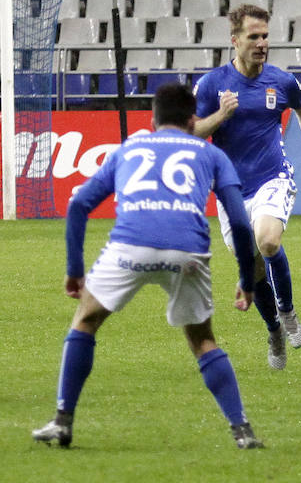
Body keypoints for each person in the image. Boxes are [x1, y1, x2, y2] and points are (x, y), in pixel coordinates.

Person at [32, 83, 263, 449]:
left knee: (86, 319)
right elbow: (238, 221)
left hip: (130, 244)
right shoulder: (210, 153)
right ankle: (243, 431)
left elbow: (78, 206)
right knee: (202, 340)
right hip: (187, 251)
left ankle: (62, 421)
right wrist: (246, 278)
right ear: (192, 120)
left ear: (153, 120)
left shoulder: (130, 148)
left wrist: (75, 270)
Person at [193, 4, 301, 371]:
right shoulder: (212, 85)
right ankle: (274, 329)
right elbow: (190, 131)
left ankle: (288, 314)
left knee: (269, 240)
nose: (262, 43)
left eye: (265, 37)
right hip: (230, 191)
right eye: (253, 37)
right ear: (235, 41)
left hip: (273, 178)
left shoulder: (281, 81)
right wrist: (221, 116)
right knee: (255, 270)